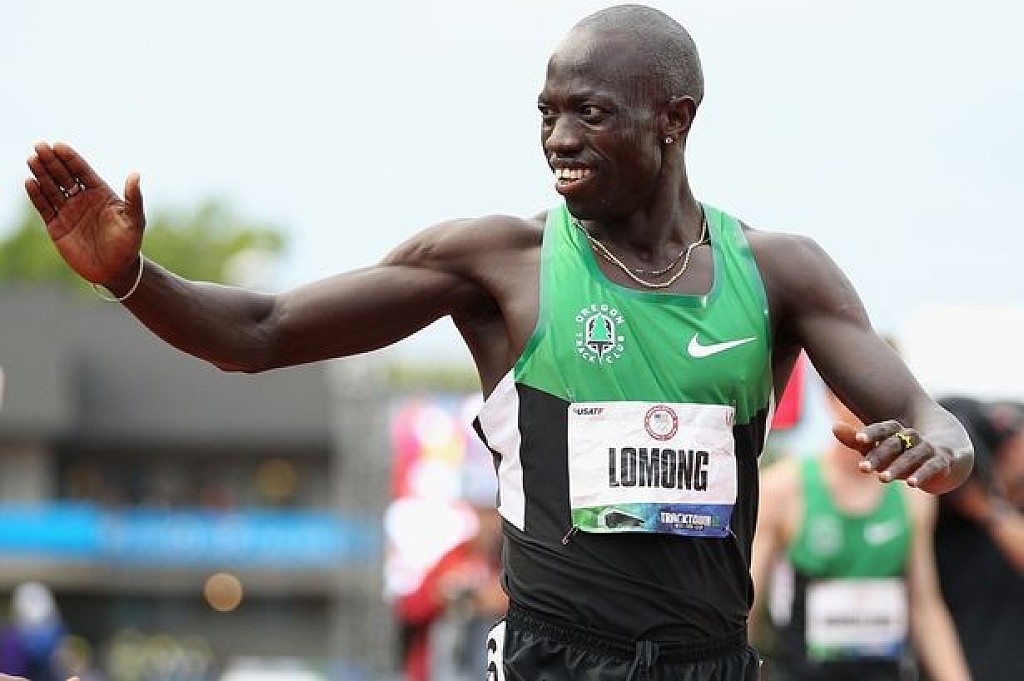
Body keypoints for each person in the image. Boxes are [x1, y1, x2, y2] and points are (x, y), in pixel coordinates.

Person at [23, 5, 973, 680]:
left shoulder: (779, 272)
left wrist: (936, 448)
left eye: (590, 112)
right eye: (546, 112)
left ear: (675, 119)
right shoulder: (501, 265)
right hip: (552, 657)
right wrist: (132, 277)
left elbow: (930, 419)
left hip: (712, 660)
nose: (558, 138)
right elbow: (258, 333)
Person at [750, 390, 972, 681]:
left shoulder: (913, 495)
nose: (872, 413)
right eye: (859, 397)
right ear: (832, 399)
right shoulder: (784, 488)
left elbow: (924, 605)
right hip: (801, 671)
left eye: (886, 401)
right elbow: (748, 605)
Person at [932, 397, 1024, 681]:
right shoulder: (938, 514)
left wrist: (987, 507)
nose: (1009, 453)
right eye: (1001, 447)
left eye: (1014, 443)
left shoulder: (999, 516)